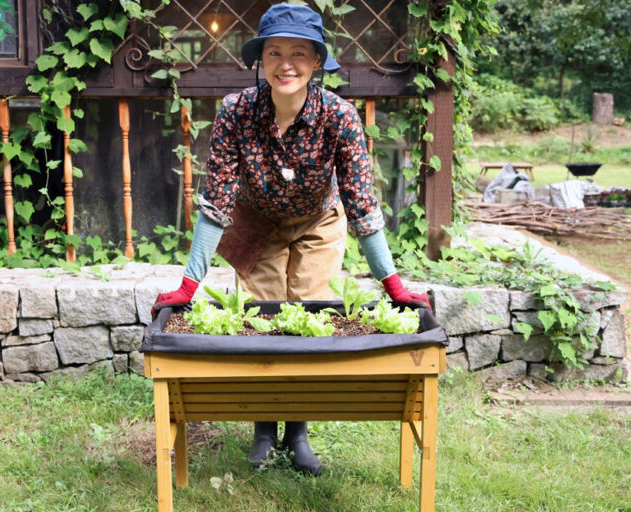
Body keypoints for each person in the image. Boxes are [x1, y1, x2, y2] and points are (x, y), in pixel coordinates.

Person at [152, 3, 430, 476]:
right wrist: (188, 284)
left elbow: (362, 202)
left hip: (319, 221)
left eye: (299, 53)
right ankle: (264, 432)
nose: (286, 64)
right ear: (260, 59)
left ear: (317, 62)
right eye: (275, 52)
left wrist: (393, 283)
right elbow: (217, 200)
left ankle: (298, 433)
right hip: (257, 220)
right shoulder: (235, 113)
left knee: (306, 316)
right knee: (262, 321)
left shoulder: (339, 117)